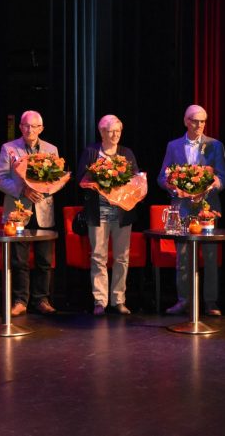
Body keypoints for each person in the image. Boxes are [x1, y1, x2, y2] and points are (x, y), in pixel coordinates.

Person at [157, 105, 225, 317]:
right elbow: (162, 177)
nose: (199, 125)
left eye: (203, 121)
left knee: (210, 256)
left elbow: (223, 178)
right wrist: (173, 186)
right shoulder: (173, 146)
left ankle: (210, 302)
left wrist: (212, 184)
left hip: (207, 208)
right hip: (183, 207)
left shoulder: (215, 145)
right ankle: (183, 300)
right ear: (186, 121)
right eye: (195, 121)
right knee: (183, 257)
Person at [0, 110, 59, 316]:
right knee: (19, 260)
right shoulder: (9, 149)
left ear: (41, 128)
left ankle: (41, 299)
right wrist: (23, 190)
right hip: (17, 211)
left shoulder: (51, 150)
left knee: (44, 260)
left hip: (43, 210)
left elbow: (57, 180)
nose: (29, 130)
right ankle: (20, 300)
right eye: (25, 126)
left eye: (34, 126)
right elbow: (0, 178)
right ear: (20, 127)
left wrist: (43, 189)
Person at [77, 114, 139, 316]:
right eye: (110, 131)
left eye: (118, 131)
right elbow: (81, 179)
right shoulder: (92, 152)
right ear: (101, 132)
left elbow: (136, 181)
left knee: (122, 257)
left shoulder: (127, 153)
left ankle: (119, 299)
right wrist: (97, 182)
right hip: (98, 212)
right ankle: (100, 300)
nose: (115, 135)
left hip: (122, 212)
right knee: (98, 256)